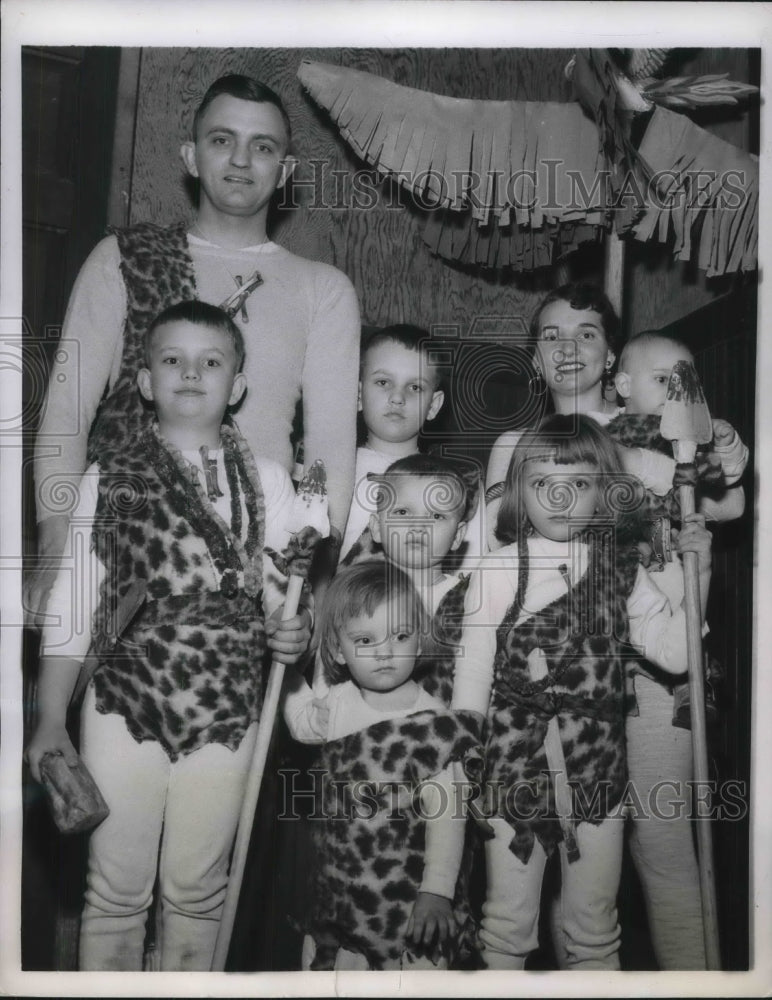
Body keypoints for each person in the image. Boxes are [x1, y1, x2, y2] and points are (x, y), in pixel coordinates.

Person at [25, 301, 313, 971]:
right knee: (117, 890)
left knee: (198, 890)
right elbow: (75, 602)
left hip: (228, 706)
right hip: (125, 701)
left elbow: (279, 600)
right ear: (146, 381)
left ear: (236, 384)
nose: (191, 373)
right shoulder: (113, 474)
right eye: (172, 360)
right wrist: (49, 721)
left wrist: (291, 633)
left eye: (211, 362)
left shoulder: (269, 481)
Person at [29, 73, 360, 620]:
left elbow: (329, 458)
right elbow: (66, 413)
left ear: (286, 172)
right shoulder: (124, 258)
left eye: (263, 146)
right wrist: (52, 551)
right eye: (221, 139)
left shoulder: (323, 289)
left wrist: (310, 588)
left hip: (256, 566)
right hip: (128, 546)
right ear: (191, 155)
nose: (239, 160)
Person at [452, 415, 713, 970]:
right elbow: (472, 675)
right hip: (512, 767)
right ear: (519, 489)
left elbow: (675, 653)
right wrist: (466, 760)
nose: (561, 497)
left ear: (606, 492)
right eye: (544, 482)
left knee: (594, 928)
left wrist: (700, 575)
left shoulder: (623, 573)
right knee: (505, 924)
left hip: (599, 770)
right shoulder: (498, 570)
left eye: (580, 482)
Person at [607, 328, 747, 969]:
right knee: (587, 847)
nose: (676, 390)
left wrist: (725, 456)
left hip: (667, 674)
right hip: (598, 666)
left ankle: (693, 975)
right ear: (623, 386)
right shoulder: (604, 450)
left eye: (686, 379)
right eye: (663, 378)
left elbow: (733, 502)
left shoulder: (687, 454)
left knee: (666, 839)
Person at [282, 560, 482, 971]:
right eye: (365, 639)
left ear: (420, 639)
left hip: (406, 901)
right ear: (337, 649)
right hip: (339, 895)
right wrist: (284, 669)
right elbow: (301, 724)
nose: (385, 651)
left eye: (400, 635)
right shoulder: (337, 704)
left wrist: (438, 892)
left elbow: (448, 818)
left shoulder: (434, 723)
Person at [485, 283, 745, 550]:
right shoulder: (515, 443)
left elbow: (731, 505)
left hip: (654, 582)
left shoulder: (653, 424)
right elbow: (497, 538)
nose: (567, 348)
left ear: (610, 355)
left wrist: (635, 461)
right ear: (536, 362)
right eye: (552, 337)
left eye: (586, 335)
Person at [340, 324, 483, 566]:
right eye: (383, 382)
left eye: (415, 387)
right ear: (357, 394)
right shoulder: (333, 470)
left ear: (434, 405)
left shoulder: (462, 485)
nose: (398, 397)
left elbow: (471, 578)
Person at [367, 453, 476, 705]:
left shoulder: (468, 602)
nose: (418, 526)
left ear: (458, 535)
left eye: (436, 516)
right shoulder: (358, 593)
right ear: (376, 527)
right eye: (403, 512)